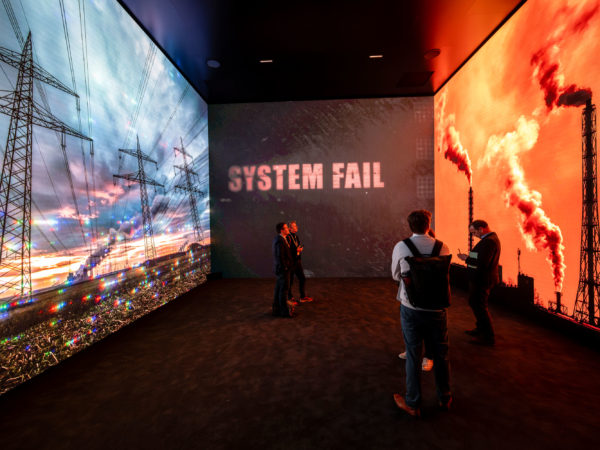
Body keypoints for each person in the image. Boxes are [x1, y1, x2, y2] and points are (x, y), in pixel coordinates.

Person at [391, 210, 452, 417]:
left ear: (410, 226)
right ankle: (445, 398)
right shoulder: (442, 247)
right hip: (437, 309)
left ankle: (413, 403)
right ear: (429, 224)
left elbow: (395, 275)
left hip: (411, 308)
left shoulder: (401, 247)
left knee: (413, 354)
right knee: (441, 354)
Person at [458, 220, 501, 346]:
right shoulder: (490, 239)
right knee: (475, 303)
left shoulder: (489, 241)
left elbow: (483, 262)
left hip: (482, 280)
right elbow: (481, 258)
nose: (473, 235)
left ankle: (488, 337)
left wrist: (466, 258)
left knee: (480, 306)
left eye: (474, 232)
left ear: (481, 229)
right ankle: (481, 329)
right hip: (481, 279)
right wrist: (469, 258)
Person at [286, 221, 313, 303]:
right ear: (290, 228)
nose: (296, 227)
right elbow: (287, 250)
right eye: (294, 226)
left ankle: (302, 297)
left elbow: (296, 247)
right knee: (290, 281)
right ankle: (290, 298)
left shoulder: (296, 236)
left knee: (302, 278)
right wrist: (296, 250)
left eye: (296, 226)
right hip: (291, 262)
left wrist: (299, 249)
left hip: (297, 261)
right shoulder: (288, 237)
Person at [272, 222, 294, 318]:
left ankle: (276, 310)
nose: (288, 229)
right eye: (286, 228)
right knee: (283, 290)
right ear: (282, 230)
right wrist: (285, 267)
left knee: (279, 289)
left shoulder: (279, 239)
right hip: (283, 269)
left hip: (281, 269)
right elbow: (279, 256)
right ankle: (284, 311)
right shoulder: (280, 241)